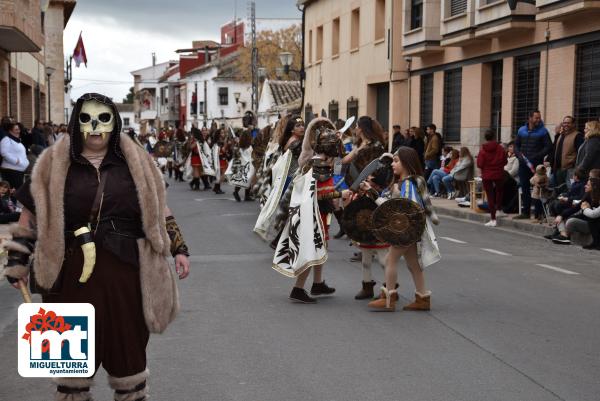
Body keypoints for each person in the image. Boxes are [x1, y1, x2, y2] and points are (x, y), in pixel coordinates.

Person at [3, 93, 190, 401]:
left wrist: (179, 248)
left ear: (114, 122)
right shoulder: (52, 162)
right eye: (86, 118)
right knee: (71, 359)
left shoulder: (138, 163)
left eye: (103, 118)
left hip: (126, 274)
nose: (94, 127)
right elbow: (29, 214)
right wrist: (17, 261)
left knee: (127, 348)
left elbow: (161, 209)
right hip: (69, 274)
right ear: (76, 122)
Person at [366, 147, 440, 311]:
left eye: (396, 161)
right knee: (413, 264)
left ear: (406, 162)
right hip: (412, 230)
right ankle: (422, 299)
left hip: (405, 230)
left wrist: (373, 194)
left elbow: (405, 209)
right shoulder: (413, 181)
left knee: (390, 260)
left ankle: (388, 299)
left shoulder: (407, 183)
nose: (393, 164)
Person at [274, 117, 338, 304]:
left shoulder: (325, 160)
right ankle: (298, 288)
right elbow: (320, 193)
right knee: (312, 248)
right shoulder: (318, 163)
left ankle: (318, 283)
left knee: (322, 246)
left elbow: (332, 180)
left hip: (319, 211)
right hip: (312, 212)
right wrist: (341, 194)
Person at [514, 110, 552, 219]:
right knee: (524, 187)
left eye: (539, 118)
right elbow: (516, 145)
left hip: (537, 166)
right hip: (523, 164)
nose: (538, 120)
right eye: (536, 118)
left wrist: (537, 156)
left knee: (538, 188)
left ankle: (538, 213)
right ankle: (525, 212)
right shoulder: (521, 130)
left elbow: (548, 146)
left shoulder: (543, 131)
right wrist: (519, 156)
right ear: (530, 118)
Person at [477, 129, 508, 227]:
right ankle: (499, 209)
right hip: (498, 173)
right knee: (500, 191)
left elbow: (479, 164)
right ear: (494, 137)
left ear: (485, 138)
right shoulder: (500, 149)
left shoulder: (482, 150)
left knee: (490, 196)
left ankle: (493, 219)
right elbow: (505, 161)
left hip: (486, 174)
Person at [563, 171, 600, 249]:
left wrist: (585, 208)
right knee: (567, 216)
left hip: (592, 222)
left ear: (594, 186)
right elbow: (577, 207)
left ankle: (596, 243)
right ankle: (562, 234)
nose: (585, 186)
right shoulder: (588, 195)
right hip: (589, 221)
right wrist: (562, 215)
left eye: (588, 184)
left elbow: (594, 214)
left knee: (593, 220)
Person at [552, 116, 584, 189]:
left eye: (568, 123)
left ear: (573, 124)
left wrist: (575, 166)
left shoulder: (577, 135)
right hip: (558, 169)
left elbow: (581, 153)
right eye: (564, 123)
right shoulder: (561, 135)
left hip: (570, 169)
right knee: (559, 190)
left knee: (571, 189)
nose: (566, 124)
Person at [0, 122, 29, 190]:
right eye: (16, 130)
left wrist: (26, 162)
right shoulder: (6, 140)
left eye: (19, 129)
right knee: (13, 193)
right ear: (10, 131)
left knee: (17, 193)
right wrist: (16, 161)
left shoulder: (17, 140)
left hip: (18, 171)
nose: (18, 131)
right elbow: (4, 153)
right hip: (11, 171)